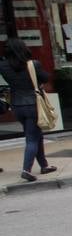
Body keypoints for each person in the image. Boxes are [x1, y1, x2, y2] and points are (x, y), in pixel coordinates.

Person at [0, 40, 58, 181]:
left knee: (36, 135)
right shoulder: (33, 64)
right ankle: (26, 170)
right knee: (32, 138)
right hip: (33, 104)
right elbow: (45, 77)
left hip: (16, 105)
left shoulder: (3, 66)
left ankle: (44, 165)